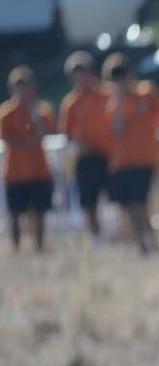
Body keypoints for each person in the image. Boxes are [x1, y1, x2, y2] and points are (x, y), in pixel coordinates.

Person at [102, 53, 159, 254]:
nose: (121, 80)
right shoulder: (113, 104)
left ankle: (153, 244)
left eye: (122, 75)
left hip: (144, 159)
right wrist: (121, 101)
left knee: (141, 205)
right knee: (129, 208)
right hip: (122, 162)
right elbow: (117, 130)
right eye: (116, 77)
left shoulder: (147, 92)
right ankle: (142, 245)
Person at [59, 51, 113, 242]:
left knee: (119, 199)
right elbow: (67, 133)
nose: (81, 78)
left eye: (83, 72)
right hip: (86, 159)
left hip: (110, 156)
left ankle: (125, 236)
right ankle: (97, 240)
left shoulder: (107, 94)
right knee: (89, 203)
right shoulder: (70, 103)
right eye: (76, 74)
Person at [1, 66, 54, 252]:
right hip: (15, 173)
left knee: (39, 213)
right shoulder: (6, 112)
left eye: (26, 86)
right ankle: (16, 248)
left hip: (39, 171)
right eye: (18, 86)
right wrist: (28, 141)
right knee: (15, 214)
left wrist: (33, 114)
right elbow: (8, 139)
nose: (22, 90)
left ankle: (39, 247)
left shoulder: (42, 110)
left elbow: (43, 133)